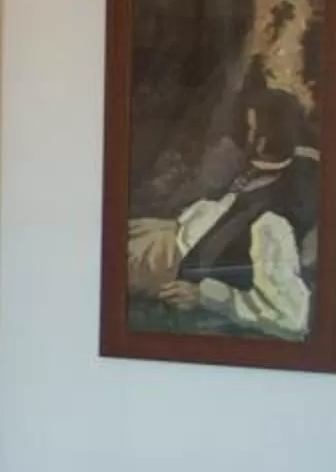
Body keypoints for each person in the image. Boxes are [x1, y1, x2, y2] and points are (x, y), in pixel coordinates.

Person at [125, 68, 319, 338]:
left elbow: (293, 316)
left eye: (250, 130)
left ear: (262, 140)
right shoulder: (271, 168)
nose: (243, 138)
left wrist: (206, 296)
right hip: (171, 232)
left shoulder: (272, 223)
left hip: (175, 260)